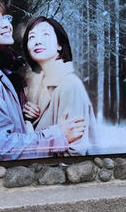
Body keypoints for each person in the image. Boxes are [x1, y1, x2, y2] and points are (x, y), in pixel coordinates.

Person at [0, 0, 85, 162]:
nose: (7, 25)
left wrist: (22, 117)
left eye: (6, 18)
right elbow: (1, 149)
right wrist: (58, 135)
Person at [22, 16, 98, 156]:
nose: (37, 41)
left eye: (45, 35)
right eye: (31, 37)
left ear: (59, 45)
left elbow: (75, 151)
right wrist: (27, 119)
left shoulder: (70, 85)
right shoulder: (33, 86)